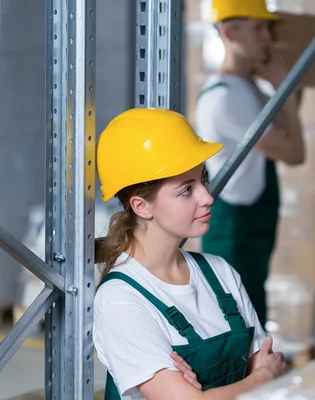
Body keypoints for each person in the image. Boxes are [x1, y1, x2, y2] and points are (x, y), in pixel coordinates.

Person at [93, 108, 287, 400]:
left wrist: (242, 383)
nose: (208, 197)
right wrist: (261, 377)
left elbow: (268, 370)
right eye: (186, 190)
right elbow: (264, 374)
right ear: (141, 206)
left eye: (203, 179)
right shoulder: (121, 299)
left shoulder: (220, 274)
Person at [195, 0, 306, 327]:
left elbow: (287, 127)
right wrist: (286, 87)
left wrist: (282, 88)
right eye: (259, 28)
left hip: (251, 217)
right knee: (236, 320)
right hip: (233, 226)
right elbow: (295, 152)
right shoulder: (225, 98)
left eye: (268, 28)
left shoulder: (247, 89)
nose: (268, 37)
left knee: (252, 311)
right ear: (230, 32)